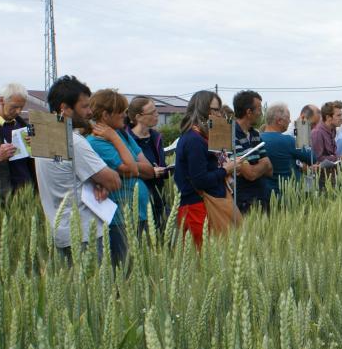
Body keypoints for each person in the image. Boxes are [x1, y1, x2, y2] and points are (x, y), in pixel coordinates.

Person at [35, 76, 121, 261]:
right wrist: (102, 182)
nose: (90, 112)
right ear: (64, 108)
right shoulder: (73, 142)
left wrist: (96, 181)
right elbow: (114, 181)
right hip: (84, 233)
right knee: (97, 289)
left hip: (59, 232)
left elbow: (66, 177)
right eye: (84, 107)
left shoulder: (43, 136)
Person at [85, 89, 155, 265]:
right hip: (120, 219)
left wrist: (117, 139)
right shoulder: (97, 142)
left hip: (141, 213)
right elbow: (132, 168)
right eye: (121, 111)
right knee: (125, 270)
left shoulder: (123, 134)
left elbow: (148, 168)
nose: (125, 115)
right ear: (106, 115)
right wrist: (114, 139)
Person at [174, 90, 238, 247]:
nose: (219, 114)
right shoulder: (194, 140)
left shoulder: (201, 137)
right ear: (203, 110)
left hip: (205, 206)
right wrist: (226, 170)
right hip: (197, 209)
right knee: (202, 262)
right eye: (215, 110)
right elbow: (200, 180)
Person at [0, 82, 37, 200]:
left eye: (21, 107)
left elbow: (37, 162)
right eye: (14, 107)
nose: (18, 111)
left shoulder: (24, 126)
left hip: (27, 196)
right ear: (2, 100)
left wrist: (35, 148)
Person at [126, 96, 169, 230]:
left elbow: (161, 163)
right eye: (152, 112)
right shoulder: (126, 139)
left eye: (156, 111)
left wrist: (165, 170)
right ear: (139, 117)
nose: (157, 115)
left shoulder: (156, 137)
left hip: (158, 196)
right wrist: (149, 172)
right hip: (138, 197)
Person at [260, 103, 314, 197]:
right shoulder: (288, 140)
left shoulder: (257, 139)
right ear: (279, 121)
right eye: (288, 118)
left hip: (265, 194)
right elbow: (312, 157)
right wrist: (302, 128)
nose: (289, 121)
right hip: (289, 195)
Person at [233, 90, 273, 214]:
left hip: (262, 198)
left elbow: (270, 169)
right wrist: (262, 166)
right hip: (244, 202)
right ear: (249, 112)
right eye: (259, 109)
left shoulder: (255, 134)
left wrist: (257, 168)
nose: (261, 113)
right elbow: (250, 174)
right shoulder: (231, 135)